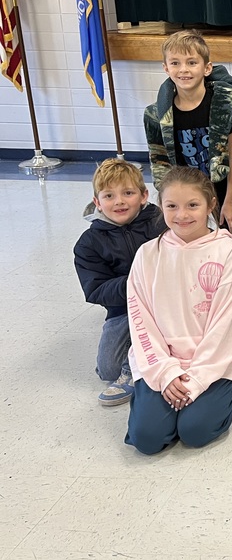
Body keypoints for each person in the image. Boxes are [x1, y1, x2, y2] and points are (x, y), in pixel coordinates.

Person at [144, 30, 232, 338]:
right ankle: (189, 307)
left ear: (206, 68)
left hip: (220, 188)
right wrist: (167, 201)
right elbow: (159, 161)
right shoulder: (156, 114)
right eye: (176, 63)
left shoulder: (223, 103)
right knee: (179, 247)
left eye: (192, 62)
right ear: (165, 68)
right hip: (183, 192)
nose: (184, 69)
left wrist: (230, 200)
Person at [123, 166, 232, 454]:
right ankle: (161, 396)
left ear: (211, 204)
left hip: (214, 359)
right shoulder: (147, 254)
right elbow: (140, 320)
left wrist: (197, 379)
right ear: (161, 206)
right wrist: (166, 373)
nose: (182, 215)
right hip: (160, 358)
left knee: (195, 431)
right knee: (147, 439)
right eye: (172, 206)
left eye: (193, 205)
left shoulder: (228, 252)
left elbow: (226, 325)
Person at [73, 159, 165, 406]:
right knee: (107, 370)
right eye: (109, 195)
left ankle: (133, 371)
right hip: (123, 308)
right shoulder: (88, 244)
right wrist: (135, 283)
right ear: (97, 202)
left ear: (144, 196)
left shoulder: (160, 221)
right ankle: (140, 361)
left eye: (128, 193)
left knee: (158, 328)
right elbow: (96, 290)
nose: (119, 201)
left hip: (166, 302)